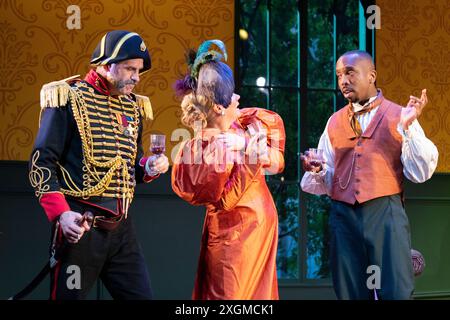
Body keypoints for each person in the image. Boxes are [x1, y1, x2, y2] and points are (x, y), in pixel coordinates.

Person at [28, 30, 169, 300]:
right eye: (129, 68)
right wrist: (61, 214)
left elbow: (131, 165)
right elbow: (41, 163)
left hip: (122, 230)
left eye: (139, 70)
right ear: (106, 64)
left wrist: (149, 166)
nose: (136, 77)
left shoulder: (132, 107)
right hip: (80, 227)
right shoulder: (66, 97)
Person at [300, 50, 439, 300]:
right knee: (350, 290)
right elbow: (329, 172)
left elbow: (421, 172)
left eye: (350, 72)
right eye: (339, 75)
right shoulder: (334, 122)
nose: (343, 80)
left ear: (371, 76)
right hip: (343, 216)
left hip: (385, 213)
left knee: (395, 289)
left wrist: (407, 128)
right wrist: (318, 169)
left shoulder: (400, 115)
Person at [171, 40, 286, 299]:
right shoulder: (212, 145)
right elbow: (224, 200)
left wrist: (246, 144)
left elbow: (278, 162)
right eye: (232, 95)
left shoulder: (241, 123)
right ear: (219, 107)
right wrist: (251, 158)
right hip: (234, 235)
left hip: (258, 228)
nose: (238, 97)